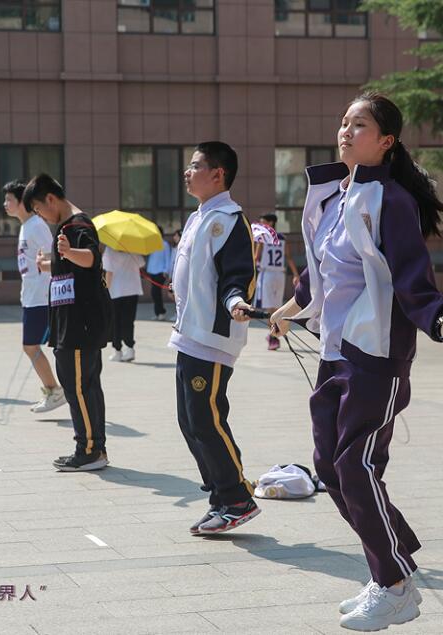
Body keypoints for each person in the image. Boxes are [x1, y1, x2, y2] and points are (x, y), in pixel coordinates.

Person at [269, 93, 443, 632]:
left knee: (355, 467)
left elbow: (413, 278)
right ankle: (393, 559)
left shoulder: (391, 200)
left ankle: (395, 585)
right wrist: (289, 309)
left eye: (358, 124)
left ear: (386, 141)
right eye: (344, 122)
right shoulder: (334, 195)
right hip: (334, 352)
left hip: (376, 354)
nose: (346, 130)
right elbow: (320, 272)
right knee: (327, 467)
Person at [171, 141, 260, 535]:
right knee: (190, 421)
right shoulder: (200, 216)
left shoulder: (229, 219)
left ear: (218, 174)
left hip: (212, 336)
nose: (187, 172)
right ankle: (223, 497)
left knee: (206, 420)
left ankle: (237, 498)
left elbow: (238, 275)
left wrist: (236, 300)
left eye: (195, 166)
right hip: (189, 333)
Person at [25, 174, 112, 472]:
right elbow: (72, 267)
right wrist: (49, 263)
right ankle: (94, 448)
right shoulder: (66, 227)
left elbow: (91, 258)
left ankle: (88, 451)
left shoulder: (78, 225)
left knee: (78, 387)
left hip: (79, 323)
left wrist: (68, 252)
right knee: (86, 385)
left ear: (51, 199)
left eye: (39, 209)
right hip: (74, 322)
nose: (41, 216)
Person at [3, 180, 67, 413]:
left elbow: (53, 257)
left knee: (31, 346)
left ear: (23, 202)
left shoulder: (36, 225)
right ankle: (56, 390)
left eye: (9, 200)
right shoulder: (26, 226)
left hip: (41, 296)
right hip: (31, 297)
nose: (5, 204)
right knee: (35, 346)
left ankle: (56, 391)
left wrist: (47, 278)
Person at [254, 213, 300, 351]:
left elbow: (256, 257)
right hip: (280, 275)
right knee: (275, 306)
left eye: (263, 222)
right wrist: (295, 274)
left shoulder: (263, 238)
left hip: (267, 274)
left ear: (271, 223)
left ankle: (272, 336)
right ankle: (273, 335)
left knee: (270, 308)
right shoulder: (283, 238)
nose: (261, 225)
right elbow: (288, 257)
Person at [103, 245, 145, 362]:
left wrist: (106, 290)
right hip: (133, 289)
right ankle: (130, 348)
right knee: (129, 321)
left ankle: (117, 350)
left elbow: (109, 272)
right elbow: (141, 263)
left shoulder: (110, 249)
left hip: (116, 291)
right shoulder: (133, 246)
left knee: (116, 321)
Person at [145, 226, 173, 321]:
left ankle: (161, 312)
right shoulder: (152, 244)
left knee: (156, 292)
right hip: (152, 271)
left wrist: (166, 270)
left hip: (161, 272)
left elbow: (168, 258)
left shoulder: (164, 244)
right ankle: (158, 313)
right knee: (154, 293)